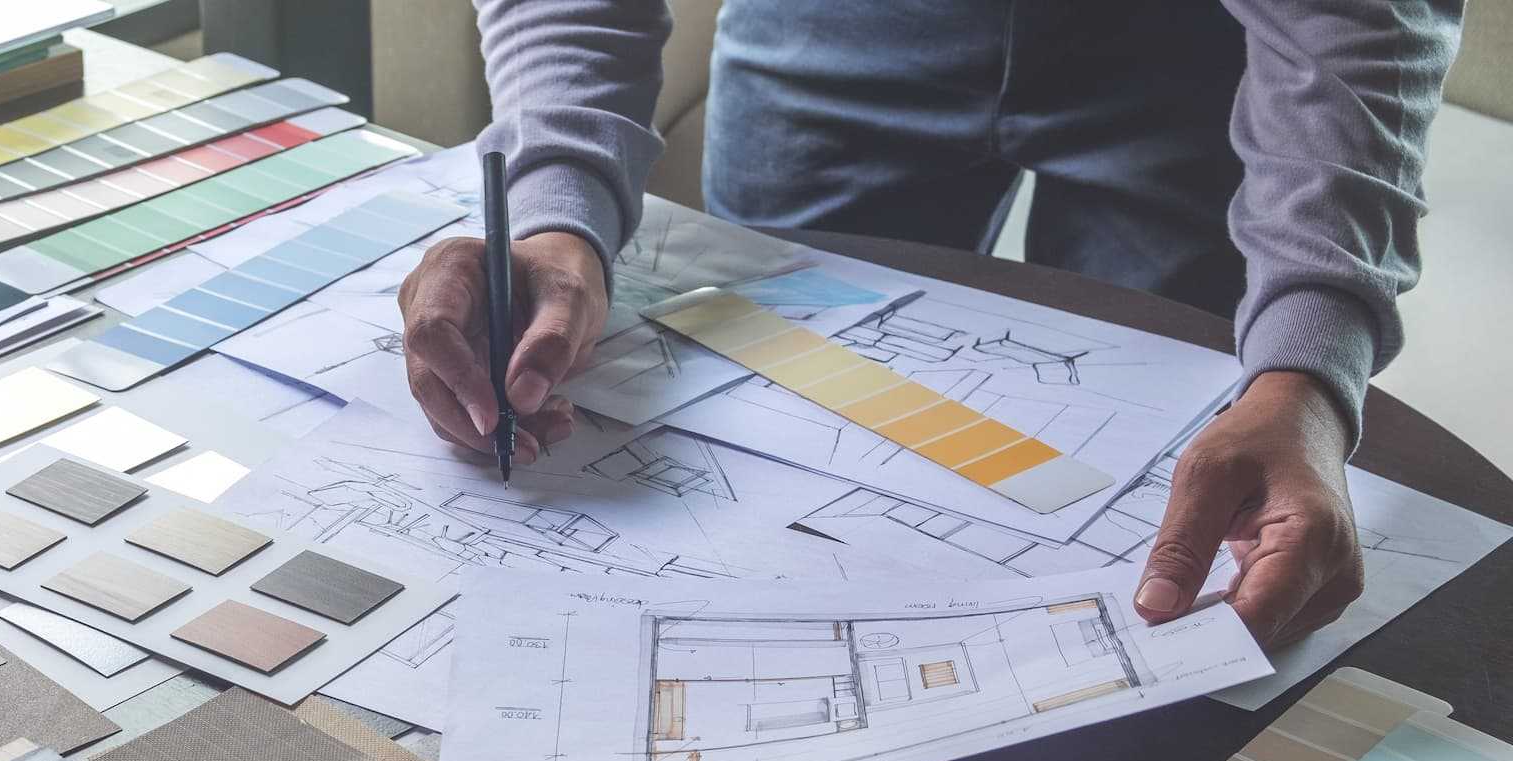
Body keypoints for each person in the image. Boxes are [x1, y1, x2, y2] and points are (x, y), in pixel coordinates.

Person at [396, 0, 1462, 648]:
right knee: (770, 455)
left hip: (1196, 50)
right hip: (832, 33)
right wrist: (556, 213)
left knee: (1180, 509)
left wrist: (1308, 368)